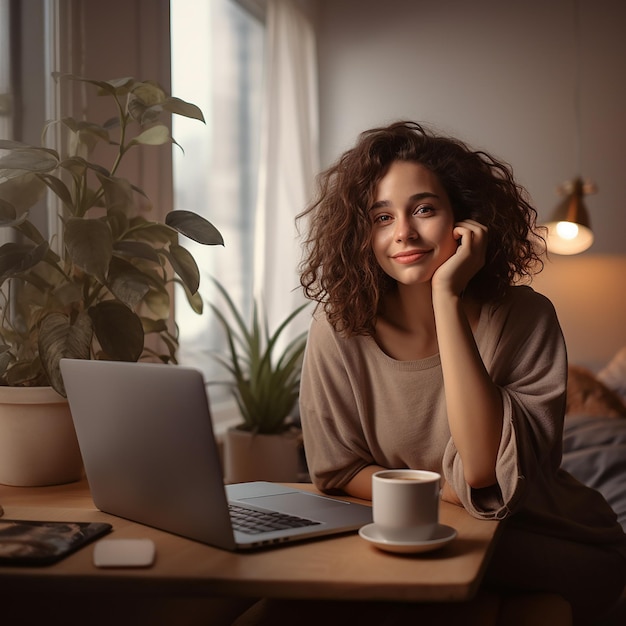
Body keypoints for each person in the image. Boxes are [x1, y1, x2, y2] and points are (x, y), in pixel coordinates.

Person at [296, 121, 626, 624]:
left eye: (423, 209)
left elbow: (482, 472)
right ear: (361, 234)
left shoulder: (526, 318)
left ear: (464, 218)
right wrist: (442, 495)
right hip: (420, 539)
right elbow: (335, 470)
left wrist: (445, 297)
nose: (403, 232)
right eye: (381, 217)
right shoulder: (339, 327)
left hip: (552, 542)